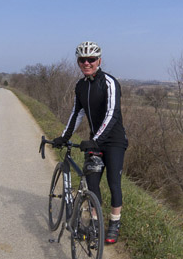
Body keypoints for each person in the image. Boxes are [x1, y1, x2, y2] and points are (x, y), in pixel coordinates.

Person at [53, 41, 128, 244]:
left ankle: (114, 223)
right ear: (78, 62)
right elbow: (76, 113)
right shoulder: (81, 86)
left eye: (91, 59)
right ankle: (95, 223)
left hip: (114, 141)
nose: (87, 63)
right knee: (92, 183)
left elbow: (112, 114)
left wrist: (95, 140)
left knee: (113, 182)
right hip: (95, 141)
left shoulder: (109, 83)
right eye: (82, 60)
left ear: (99, 61)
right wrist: (64, 137)